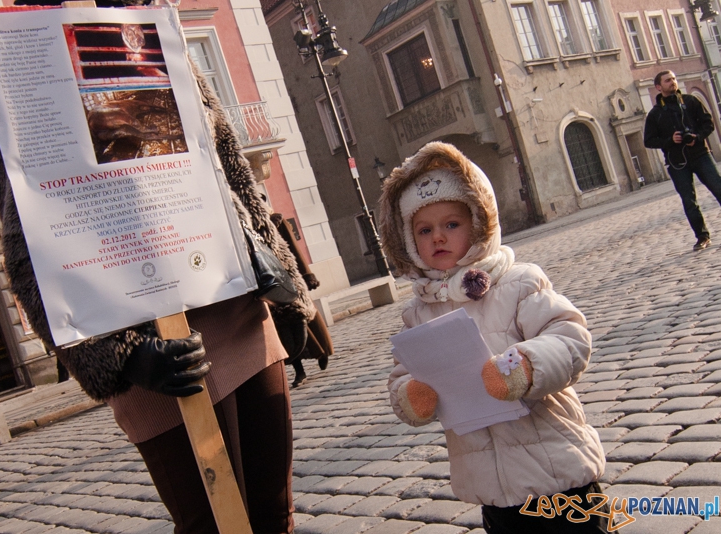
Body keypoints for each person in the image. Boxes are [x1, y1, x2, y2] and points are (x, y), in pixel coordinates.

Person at [0, 2, 315, 533]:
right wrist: (115, 357)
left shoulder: (147, 25)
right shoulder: (8, 43)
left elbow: (223, 158)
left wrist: (278, 275)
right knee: (210, 525)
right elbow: (27, 231)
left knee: (274, 515)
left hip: (236, 306)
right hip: (148, 340)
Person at [378, 142, 608, 533]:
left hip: (559, 472)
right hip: (493, 489)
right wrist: (413, 396)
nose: (438, 237)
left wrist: (524, 367)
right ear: (407, 241)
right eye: (424, 229)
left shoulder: (518, 282)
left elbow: (569, 337)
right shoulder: (417, 313)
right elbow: (403, 375)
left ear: (480, 222)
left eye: (451, 224)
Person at [644, 70, 721, 251]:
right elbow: (648, 141)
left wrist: (698, 136)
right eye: (668, 80)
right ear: (658, 86)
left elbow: (708, 123)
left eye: (674, 79)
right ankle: (702, 236)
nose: (672, 82)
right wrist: (670, 140)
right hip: (677, 163)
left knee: (718, 187)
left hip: (701, 154)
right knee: (689, 200)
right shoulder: (655, 114)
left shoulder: (690, 101)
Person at [269, 211, 334, 387]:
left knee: (307, 318)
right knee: (282, 328)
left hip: (290, 278)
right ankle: (299, 370)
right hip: (269, 283)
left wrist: (306, 275)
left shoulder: (275, 220)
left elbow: (293, 248)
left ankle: (322, 352)